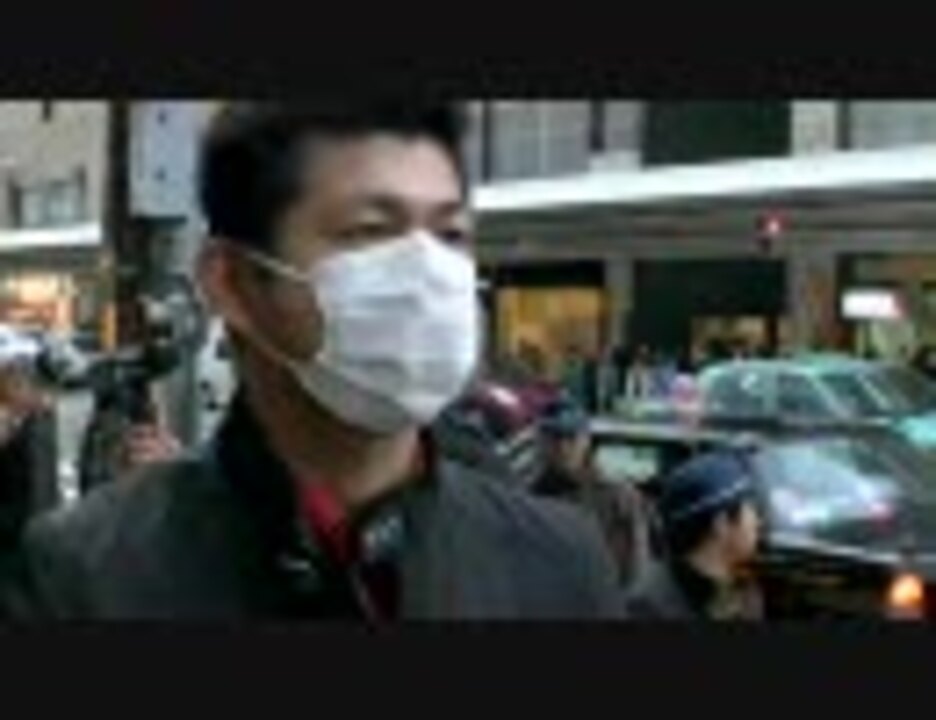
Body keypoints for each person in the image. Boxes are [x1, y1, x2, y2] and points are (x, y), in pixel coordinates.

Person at [6, 101, 623, 621]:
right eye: (370, 232)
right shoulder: (86, 578)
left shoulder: (560, 563)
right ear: (232, 282)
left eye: (450, 235)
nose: (426, 275)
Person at [531, 395, 654, 588]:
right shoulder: (528, 497)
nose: (563, 447)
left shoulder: (618, 497)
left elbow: (634, 572)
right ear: (542, 441)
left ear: (586, 440)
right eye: (555, 437)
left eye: (571, 437)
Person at [625, 450, 764, 620]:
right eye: (750, 510)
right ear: (720, 524)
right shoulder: (649, 606)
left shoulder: (744, 590)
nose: (758, 522)